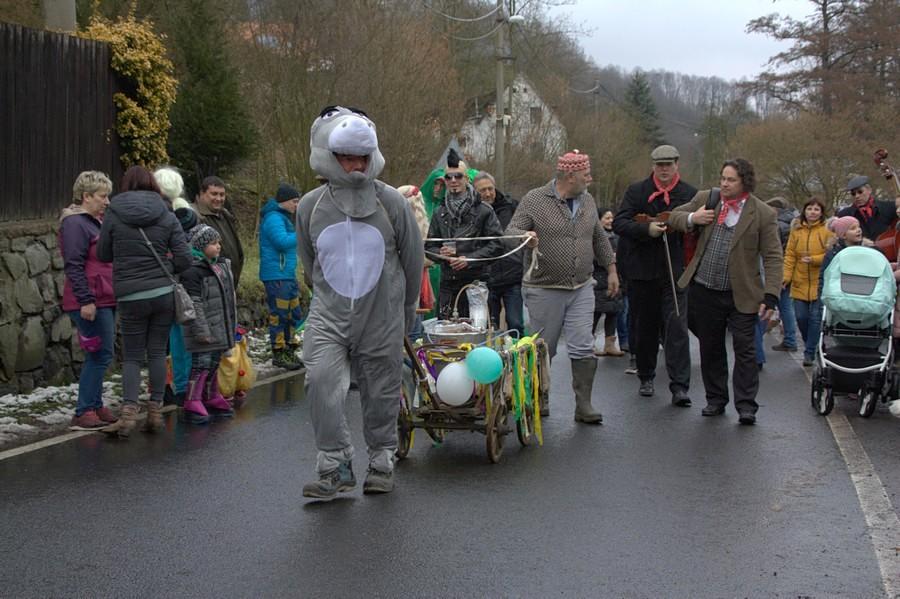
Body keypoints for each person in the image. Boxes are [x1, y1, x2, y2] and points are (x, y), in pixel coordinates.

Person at [297, 106, 423, 498]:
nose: (355, 165)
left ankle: (382, 459)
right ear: (329, 157)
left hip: (382, 314)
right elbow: (310, 261)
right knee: (320, 380)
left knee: (382, 389)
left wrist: (405, 311)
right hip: (329, 313)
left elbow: (413, 259)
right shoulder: (310, 205)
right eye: (346, 157)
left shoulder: (392, 202)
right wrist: (324, 298)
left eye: (362, 158)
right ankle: (334, 465)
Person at [506, 149, 619, 424]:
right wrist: (525, 236)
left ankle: (584, 405)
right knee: (544, 348)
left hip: (581, 286)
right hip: (544, 288)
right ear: (570, 176)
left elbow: (599, 238)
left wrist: (612, 269)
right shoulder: (535, 199)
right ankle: (539, 396)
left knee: (583, 345)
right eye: (586, 175)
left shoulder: (588, 200)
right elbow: (509, 233)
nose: (590, 179)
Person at [668, 158, 782, 425]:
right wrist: (693, 218)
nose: (725, 184)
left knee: (745, 350)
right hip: (705, 289)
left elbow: (774, 257)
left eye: (731, 180)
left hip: (742, 294)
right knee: (711, 348)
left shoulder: (763, 213)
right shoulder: (707, 198)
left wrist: (771, 295)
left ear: (745, 182)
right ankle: (716, 399)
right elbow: (673, 216)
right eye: (723, 178)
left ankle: (746, 405)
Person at [98, 166, 192, 437]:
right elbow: (185, 258)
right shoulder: (166, 212)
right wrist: (165, 268)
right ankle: (154, 412)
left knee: (132, 356)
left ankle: (128, 414)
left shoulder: (114, 212)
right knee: (157, 352)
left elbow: (103, 253)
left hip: (130, 294)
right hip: (162, 293)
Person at [613, 144, 696, 406]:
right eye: (660, 165)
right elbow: (620, 223)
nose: (664, 169)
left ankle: (680, 386)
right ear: (653, 166)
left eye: (668, 164)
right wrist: (646, 230)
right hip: (642, 271)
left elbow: (698, 226)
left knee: (677, 328)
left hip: (675, 272)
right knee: (645, 328)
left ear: (676, 165)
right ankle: (646, 375)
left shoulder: (689, 193)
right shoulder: (637, 191)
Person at [60, 171, 118, 429]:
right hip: (90, 300)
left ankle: (95, 404)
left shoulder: (96, 221)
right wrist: (85, 300)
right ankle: (84, 410)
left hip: (105, 297)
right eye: (102, 197)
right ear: (86, 196)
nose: (107, 202)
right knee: (99, 354)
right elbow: (74, 264)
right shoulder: (75, 224)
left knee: (103, 353)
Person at [424, 150, 503, 320]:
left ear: (467, 179)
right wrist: (441, 254)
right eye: (449, 177)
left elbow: (497, 244)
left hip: (476, 283)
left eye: (458, 176)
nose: (453, 180)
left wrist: (469, 259)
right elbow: (429, 246)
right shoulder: (439, 212)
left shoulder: (484, 210)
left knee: (478, 329)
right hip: (448, 284)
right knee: (446, 333)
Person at [180, 224, 238, 423]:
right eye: (213, 243)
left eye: (219, 242)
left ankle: (210, 395)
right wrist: (201, 330)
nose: (218, 246)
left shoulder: (219, 266)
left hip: (219, 327)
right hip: (204, 329)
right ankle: (192, 399)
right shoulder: (193, 271)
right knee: (201, 365)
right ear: (200, 246)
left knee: (214, 363)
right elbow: (194, 303)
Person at [154, 167, 192, 406]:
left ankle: (162, 388)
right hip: (178, 282)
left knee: (159, 342)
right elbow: (185, 254)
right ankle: (181, 385)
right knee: (178, 339)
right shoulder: (184, 212)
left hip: (154, 281)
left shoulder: (147, 214)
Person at [473, 171, 524, 335]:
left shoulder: (512, 206)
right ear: (475, 192)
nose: (488, 193)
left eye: (490, 189)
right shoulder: (472, 211)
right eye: (483, 190)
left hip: (512, 274)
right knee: (488, 326)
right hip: (486, 277)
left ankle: (520, 350)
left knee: (516, 323)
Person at [259, 183, 304, 370]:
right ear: (284, 201)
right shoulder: (273, 218)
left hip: (286, 275)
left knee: (293, 313)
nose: (296, 205)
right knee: (280, 314)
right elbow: (282, 242)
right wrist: (302, 234)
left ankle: (289, 348)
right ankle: (278, 352)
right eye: (294, 201)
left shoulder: (283, 217)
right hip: (276, 276)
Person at [783, 198, 833, 366]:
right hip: (800, 280)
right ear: (804, 211)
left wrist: (814, 259)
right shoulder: (796, 230)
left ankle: (809, 352)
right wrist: (786, 277)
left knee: (815, 319)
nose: (813, 212)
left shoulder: (826, 231)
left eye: (816, 209)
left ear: (821, 212)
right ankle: (813, 344)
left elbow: (830, 253)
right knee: (801, 317)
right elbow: (790, 254)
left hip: (819, 282)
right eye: (810, 208)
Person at [397, 184, 433, 340]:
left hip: (410, 281)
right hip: (412, 280)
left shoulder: (403, 227)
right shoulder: (424, 226)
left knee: (412, 328)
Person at [195, 176, 245, 285]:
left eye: (222, 195)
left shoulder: (225, 215)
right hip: (209, 285)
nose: (218, 198)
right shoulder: (195, 217)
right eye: (214, 194)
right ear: (202, 193)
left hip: (229, 283)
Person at [767, 197, 801, 353]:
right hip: (789, 269)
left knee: (781, 306)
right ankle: (790, 339)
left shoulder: (777, 226)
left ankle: (789, 340)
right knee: (786, 306)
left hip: (779, 270)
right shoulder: (792, 224)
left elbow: (774, 251)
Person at [592, 208, 625, 357]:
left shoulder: (617, 236)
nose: (610, 221)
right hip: (598, 279)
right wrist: (608, 258)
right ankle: (589, 344)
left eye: (612, 218)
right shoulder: (594, 236)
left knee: (613, 312)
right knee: (595, 314)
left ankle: (610, 344)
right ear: (599, 220)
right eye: (606, 218)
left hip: (615, 279)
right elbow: (590, 257)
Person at [837, 175, 895, 242]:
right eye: (853, 194)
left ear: (869, 190)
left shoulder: (889, 207)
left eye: (860, 192)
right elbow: (841, 239)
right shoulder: (844, 215)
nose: (857, 196)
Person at [819, 216, 864, 294]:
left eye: (858, 227)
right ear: (843, 235)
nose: (858, 230)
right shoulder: (833, 255)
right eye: (853, 228)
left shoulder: (868, 251)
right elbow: (824, 278)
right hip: (840, 296)